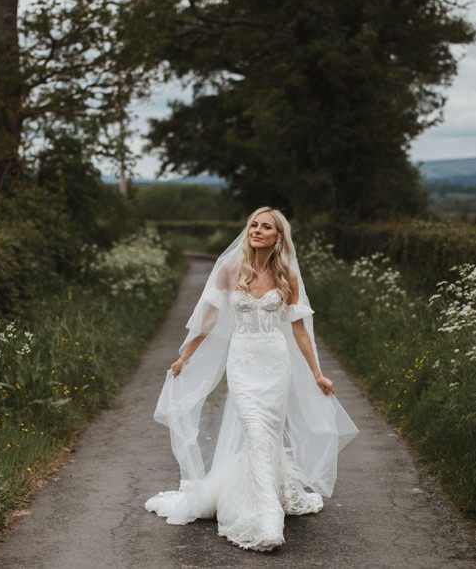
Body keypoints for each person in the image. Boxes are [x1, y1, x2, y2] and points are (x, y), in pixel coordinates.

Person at [144, 206, 359, 552]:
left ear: (278, 237)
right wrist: (185, 355)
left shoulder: (287, 274)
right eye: (253, 225)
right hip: (243, 364)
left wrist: (317, 372)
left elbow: (300, 330)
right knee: (256, 431)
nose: (257, 230)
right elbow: (208, 320)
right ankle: (267, 518)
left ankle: (271, 491)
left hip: (275, 365)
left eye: (266, 227)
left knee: (267, 437)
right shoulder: (230, 269)